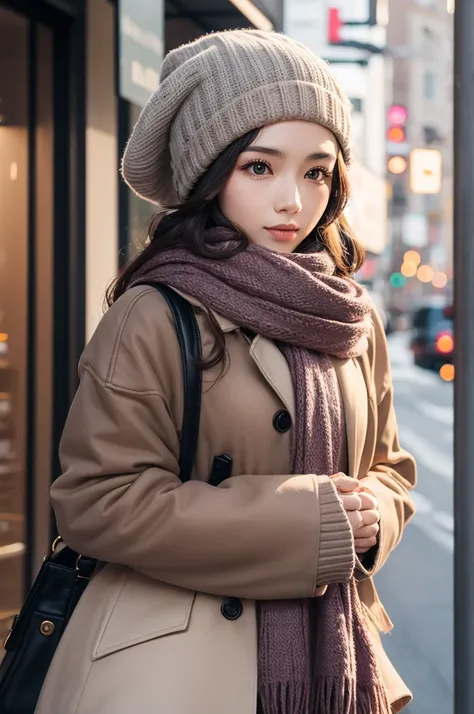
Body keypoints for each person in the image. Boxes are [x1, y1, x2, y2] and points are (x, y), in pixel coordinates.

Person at [35, 29, 416, 714]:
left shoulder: (351, 319)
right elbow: (97, 498)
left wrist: (372, 520)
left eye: (316, 171)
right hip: (178, 675)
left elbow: (390, 468)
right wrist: (310, 524)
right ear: (209, 174)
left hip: (339, 669)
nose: (293, 202)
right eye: (260, 167)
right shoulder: (155, 312)